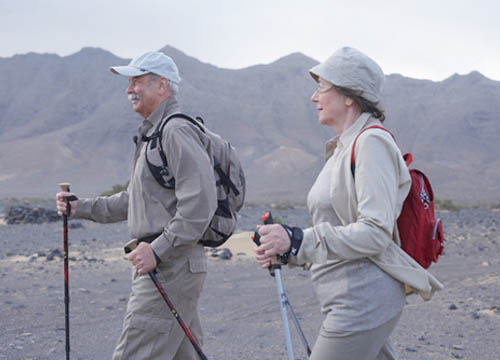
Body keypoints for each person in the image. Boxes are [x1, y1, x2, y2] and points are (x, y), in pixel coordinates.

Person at [254, 47, 443, 360]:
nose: (314, 97)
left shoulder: (371, 144)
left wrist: (300, 239)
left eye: (322, 87)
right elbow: (340, 227)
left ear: (349, 96)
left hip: (362, 303)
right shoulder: (345, 147)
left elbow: (375, 232)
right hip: (349, 298)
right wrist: (289, 249)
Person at [56, 51, 217, 360]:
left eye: (137, 81)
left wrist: (156, 249)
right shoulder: (153, 135)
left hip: (170, 265)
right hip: (170, 264)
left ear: (163, 86)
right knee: (183, 354)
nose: (129, 89)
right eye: (129, 82)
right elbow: (133, 201)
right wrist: (81, 207)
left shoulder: (175, 131)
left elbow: (200, 206)